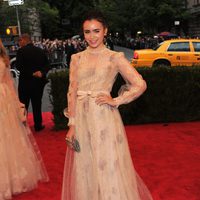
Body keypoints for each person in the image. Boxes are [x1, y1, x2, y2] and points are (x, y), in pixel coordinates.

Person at [62, 11, 153, 200]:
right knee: (86, 165)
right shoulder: (76, 58)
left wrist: (116, 100)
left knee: (108, 164)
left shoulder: (115, 57)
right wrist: (72, 124)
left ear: (105, 31)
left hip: (104, 118)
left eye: (96, 31)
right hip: (82, 119)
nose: (92, 36)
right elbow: (72, 91)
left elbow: (140, 84)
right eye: (87, 32)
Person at [0, 39, 49, 199]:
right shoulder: (4, 59)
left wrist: (16, 103)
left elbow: (10, 78)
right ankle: (38, 124)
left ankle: (11, 177)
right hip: (8, 95)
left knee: (7, 135)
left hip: (6, 98)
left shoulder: (5, 58)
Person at [16, 34, 50, 132]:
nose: (19, 43)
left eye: (20, 40)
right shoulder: (40, 51)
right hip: (38, 83)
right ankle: (38, 125)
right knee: (37, 104)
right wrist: (41, 72)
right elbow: (47, 65)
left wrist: (31, 73)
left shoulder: (20, 51)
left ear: (24, 40)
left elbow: (19, 67)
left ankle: (23, 126)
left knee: (23, 105)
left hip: (25, 83)